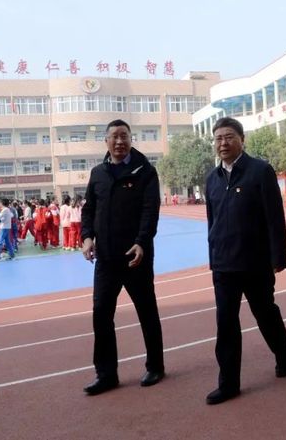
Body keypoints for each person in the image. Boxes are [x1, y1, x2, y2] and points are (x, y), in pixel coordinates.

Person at [204, 116, 286, 405]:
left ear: (241, 140)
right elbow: (212, 221)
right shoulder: (212, 179)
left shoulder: (260, 171)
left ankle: (283, 352)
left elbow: (274, 217)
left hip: (255, 262)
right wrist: (213, 256)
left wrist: (278, 256)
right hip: (224, 265)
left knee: (265, 313)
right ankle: (228, 383)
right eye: (218, 138)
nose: (223, 143)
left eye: (229, 137)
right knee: (225, 323)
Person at [81, 119, 165, 396]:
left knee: (146, 311)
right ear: (106, 140)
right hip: (106, 259)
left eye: (124, 136)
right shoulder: (98, 173)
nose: (119, 141)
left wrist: (142, 242)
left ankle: (155, 366)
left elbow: (150, 210)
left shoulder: (145, 171)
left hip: (135, 257)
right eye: (114, 136)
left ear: (131, 139)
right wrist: (87, 237)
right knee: (101, 314)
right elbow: (88, 210)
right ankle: (106, 374)